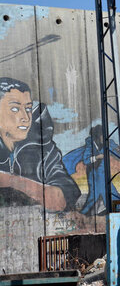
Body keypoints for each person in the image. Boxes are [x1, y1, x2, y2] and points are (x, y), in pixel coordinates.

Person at [0, 78, 80, 211]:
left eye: (28, 108)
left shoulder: (42, 147)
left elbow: (63, 198)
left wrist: (10, 180)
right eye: (15, 109)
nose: (26, 117)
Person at [63, 125, 120, 215]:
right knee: (99, 195)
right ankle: (114, 212)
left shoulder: (108, 142)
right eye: (102, 135)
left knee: (107, 194)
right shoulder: (90, 145)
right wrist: (97, 157)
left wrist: (118, 149)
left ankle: (115, 212)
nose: (104, 137)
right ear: (97, 136)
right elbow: (86, 160)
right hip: (93, 175)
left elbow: (116, 148)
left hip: (103, 174)